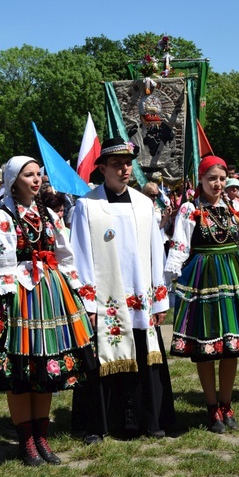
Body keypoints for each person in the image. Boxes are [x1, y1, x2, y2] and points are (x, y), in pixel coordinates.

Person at [0, 157, 96, 466]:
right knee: (20, 369)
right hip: (17, 296)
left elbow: (65, 255)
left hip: (49, 293)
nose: (36, 179)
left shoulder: (47, 214)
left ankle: (42, 438)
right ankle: (26, 441)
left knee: (45, 367)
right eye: (28, 175)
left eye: (38, 174)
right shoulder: (0, 217)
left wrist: (78, 291)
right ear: (14, 180)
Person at [165, 156, 239, 432]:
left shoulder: (235, 208)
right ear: (201, 180)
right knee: (207, 347)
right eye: (212, 179)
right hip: (204, 278)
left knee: (231, 345)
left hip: (234, 277)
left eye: (221, 179)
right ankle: (211, 408)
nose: (217, 184)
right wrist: (171, 277)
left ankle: (226, 403)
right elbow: (180, 246)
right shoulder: (189, 209)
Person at [70, 137, 175, 444]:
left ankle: (149, 420)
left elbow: (157, 252)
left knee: (145, 357)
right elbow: (80, 255)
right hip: (105, 300)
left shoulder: (144, 204)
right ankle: (98, 425)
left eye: (128, 163)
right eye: (117, 164)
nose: (125, 169)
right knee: (104, 358)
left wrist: (159, 300)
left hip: (140, 297)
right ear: (102, 168)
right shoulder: (87, 206)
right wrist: (88, 302)